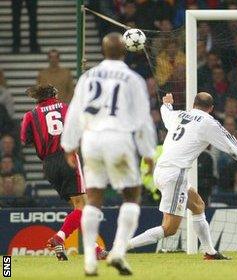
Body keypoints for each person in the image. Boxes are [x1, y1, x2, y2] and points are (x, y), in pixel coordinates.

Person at [61, 33, 156, 276]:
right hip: (118, 137)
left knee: (93, 198)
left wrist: (69, 145)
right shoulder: (133, 78)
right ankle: (118, 252)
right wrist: (148, 152)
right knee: (132, 196)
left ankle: (90, 262)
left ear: (102, 51)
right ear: (126, 50)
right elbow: (144, 118)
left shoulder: (87, 76)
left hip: (91, 139)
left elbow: (73, 112)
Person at [128, 92, 237, 259]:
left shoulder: (179, 115)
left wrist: (167, 104)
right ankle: (121, 246)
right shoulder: (209, 122)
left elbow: (165, 113)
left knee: (197, 205)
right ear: (211, 109)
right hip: (175, 174)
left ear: (194, 104)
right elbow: (229, 144)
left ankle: (210, 252)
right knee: (169, 229)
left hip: (161, 171)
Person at [20, 85, 106, 261]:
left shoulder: (30, 115)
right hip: (68, 158)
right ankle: (59, 238)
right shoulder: (66, 108)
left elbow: (24, 139)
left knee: (78, 208)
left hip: (49, 165)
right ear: (53, 95)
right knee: (83, 206)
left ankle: (95, 249)